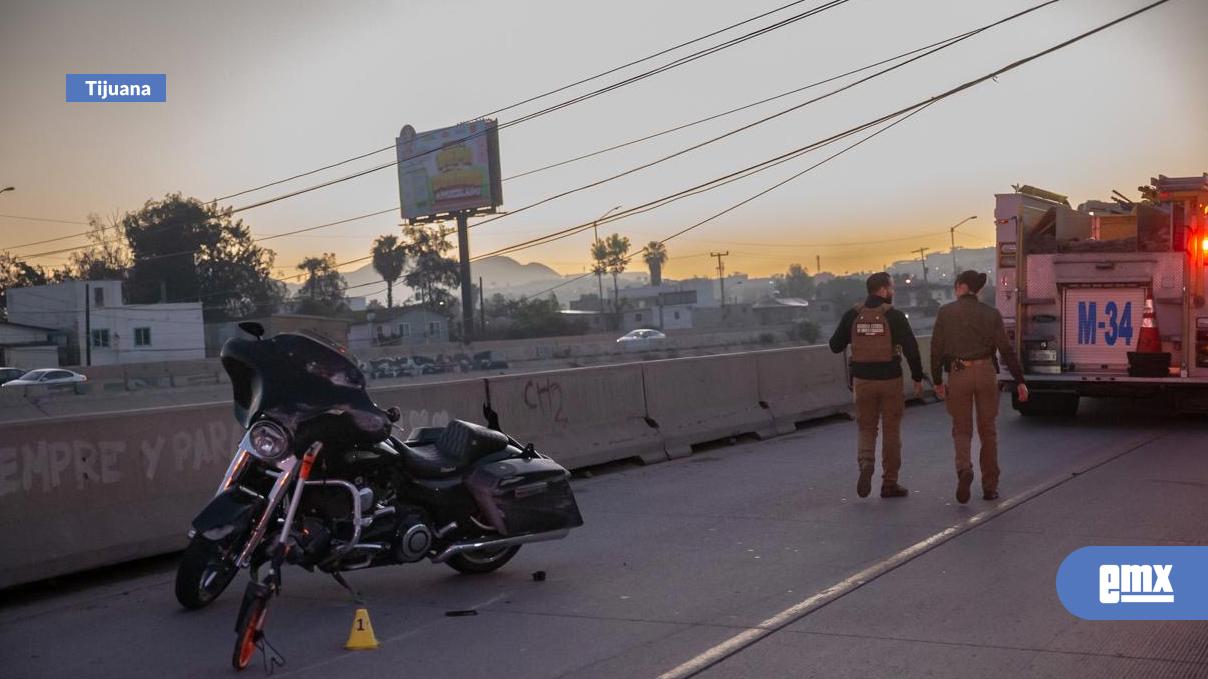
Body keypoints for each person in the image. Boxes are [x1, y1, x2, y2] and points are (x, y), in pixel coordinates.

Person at [931, 270, 1028, 504]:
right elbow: (1006, 350)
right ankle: (990, 487)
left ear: (961, 287)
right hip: (985, 372)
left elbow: (936, 350)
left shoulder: (945, 312)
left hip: (958, 373)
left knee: (961, 429)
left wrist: (937, 380)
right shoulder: (991, 313)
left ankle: (964, 468)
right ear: (978, 290)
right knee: (988, 431)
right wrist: (1020, 380)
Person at [829, 272, 924, 499]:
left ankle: (866, 463)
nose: (893, 291)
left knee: (866, 427)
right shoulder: (894, 316)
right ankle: (889, 483)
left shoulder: (853, 314)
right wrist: (917, 377)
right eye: (891, 287)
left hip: (862, 381)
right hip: (890, 380)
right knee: (891, 431)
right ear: (882, 289)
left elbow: (835, 345)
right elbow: (911, 349)